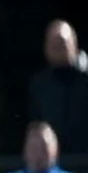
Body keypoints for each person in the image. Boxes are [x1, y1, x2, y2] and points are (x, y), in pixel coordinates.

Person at [28, 19, 88, 160]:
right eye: (52, 45)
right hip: (55, 164)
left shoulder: (85, 80)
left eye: (62, 44)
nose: (57, 48)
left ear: (74, 44)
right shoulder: (40, 85)